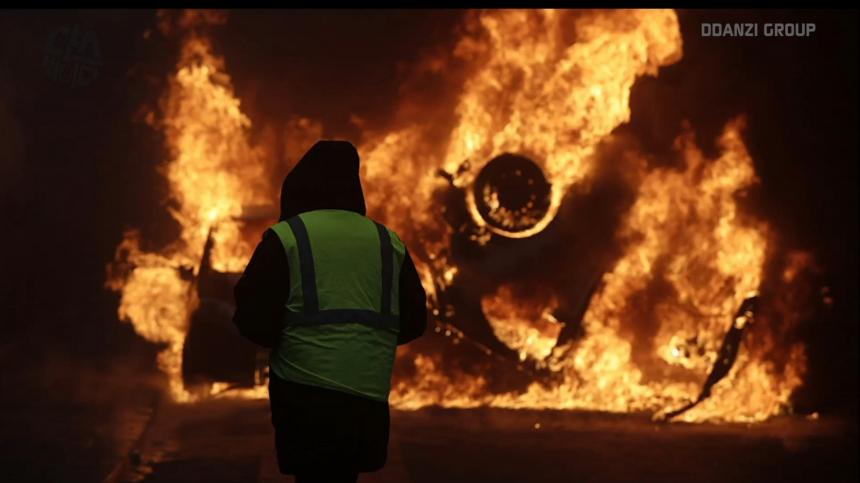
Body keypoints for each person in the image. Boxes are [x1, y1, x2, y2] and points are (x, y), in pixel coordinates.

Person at [233, 140, 427, 483]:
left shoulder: (287, 237)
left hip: (303, 395)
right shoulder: (388, 241)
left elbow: (252, 320)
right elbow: (414, 322)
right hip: (367, 396)